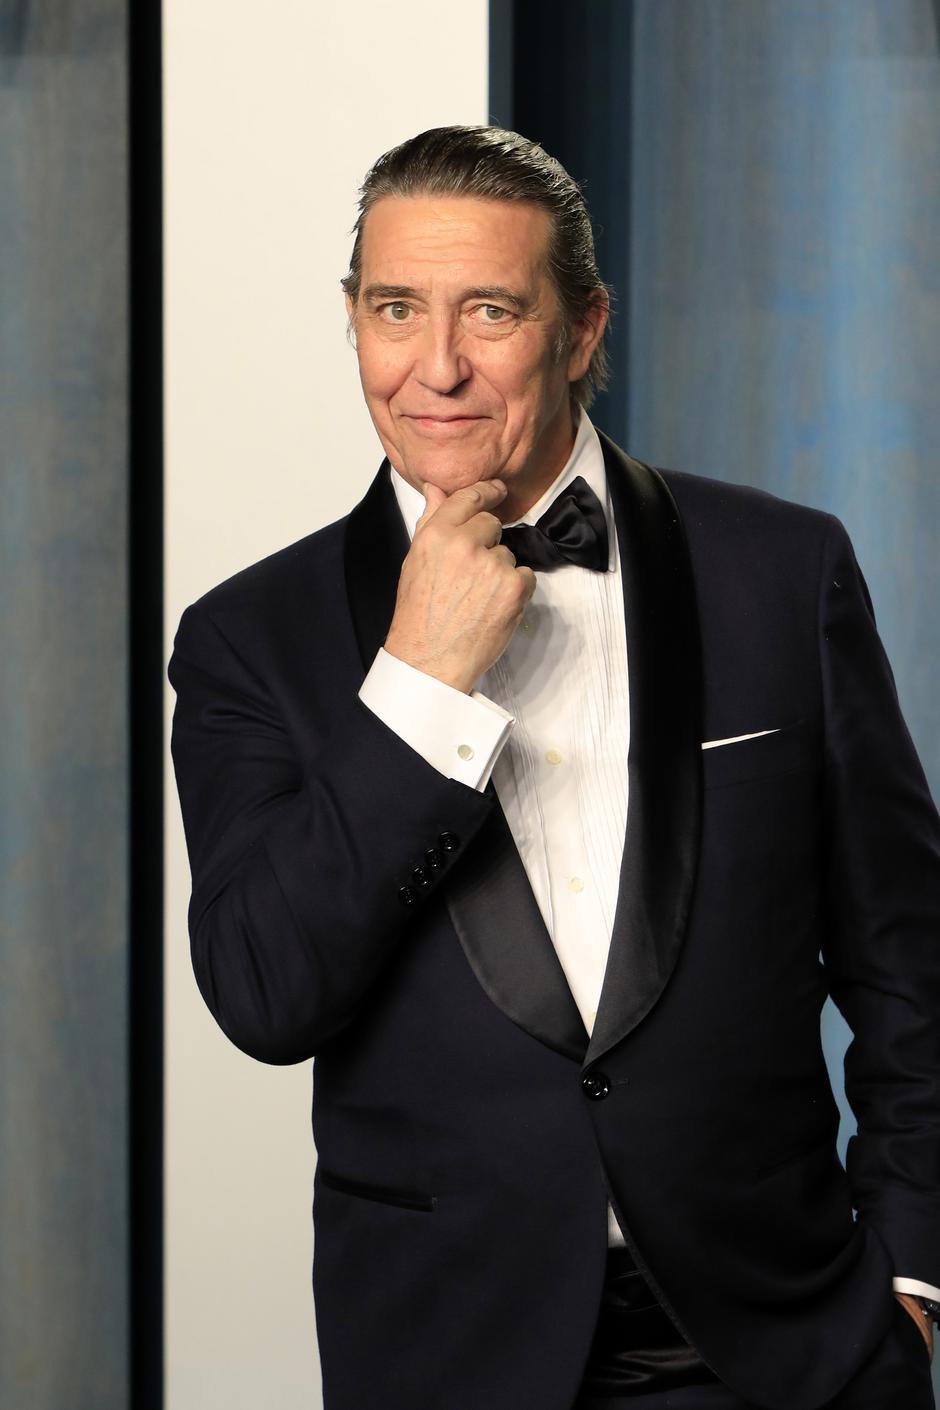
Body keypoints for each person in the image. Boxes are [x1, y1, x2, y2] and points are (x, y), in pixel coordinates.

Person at [169, 126, 940, 1410]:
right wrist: (418, 684)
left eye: (489, 310)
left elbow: (910, 961)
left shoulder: (782, 571)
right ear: (351, 322)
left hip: (787, 1351)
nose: (436, 366)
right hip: (445, 1356)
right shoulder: (249, 637)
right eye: (395, 310)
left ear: (582, 329)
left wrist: (912, 1275)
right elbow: (266, 996)